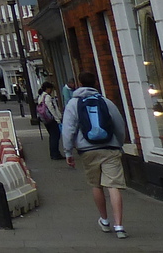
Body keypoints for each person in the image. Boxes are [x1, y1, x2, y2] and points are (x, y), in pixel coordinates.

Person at [60, 70, 131, 240]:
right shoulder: (106, 102)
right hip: (110, 147)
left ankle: (105, 220)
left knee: (96, 185)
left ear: (79, 83)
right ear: (96, 83)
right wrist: (119, 144)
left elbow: (68, 129)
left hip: (88, 150)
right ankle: (119, 225)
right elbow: (119, 124)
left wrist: (68, 151)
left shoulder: (73, 104)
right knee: (113, 185)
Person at [38, 81, 64, 160]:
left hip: (45, 120)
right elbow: (51, 108)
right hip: (51, 119)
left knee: (52, 136)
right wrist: (57, 118)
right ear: (48, 89)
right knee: (55, 136)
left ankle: (53, 153)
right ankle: (55, 153)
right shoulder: (47, 97)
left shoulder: (40, 96)